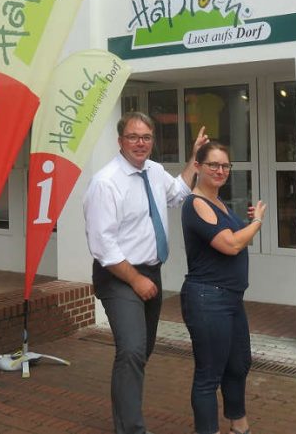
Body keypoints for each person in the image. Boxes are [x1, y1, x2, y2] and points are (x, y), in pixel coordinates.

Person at [84, 111, 208, 434]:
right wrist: (136, 279)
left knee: (139, 353)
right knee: (132, 350)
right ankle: (131, 429)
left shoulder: (153, 171)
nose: (140, 143)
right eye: (133, 137)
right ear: (120, 141)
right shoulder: (105, 182)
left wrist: (196, 159)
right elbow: (103, 246)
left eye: (146, 137)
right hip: (119, 275)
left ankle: (124, 419)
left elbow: (177, 193)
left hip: (151, 273)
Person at [180, 142, 266, 434]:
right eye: (213, 165)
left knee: (239, 364)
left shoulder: (219, 203)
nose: (220, 170)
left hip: (229, 298)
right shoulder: (196, 203)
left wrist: (248, 225)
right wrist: (256, 222)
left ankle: (239, 425)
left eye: (225, 165)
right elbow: (230, 245)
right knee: (209, 374)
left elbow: (238, 237)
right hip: (207, 297)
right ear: (199, 167)